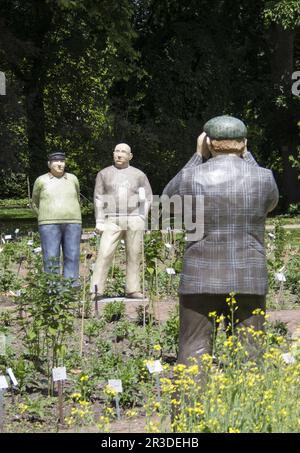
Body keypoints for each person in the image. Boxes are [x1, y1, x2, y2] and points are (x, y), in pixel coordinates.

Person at [163, 115, 279, 364]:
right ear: (244, 143)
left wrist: (196, 156)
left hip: (199, 277)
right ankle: (251, 402)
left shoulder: (191, 177)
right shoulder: (264, 178)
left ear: (209, 143)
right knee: (250, 350)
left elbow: (167, 201)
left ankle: (190, 400)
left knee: (194, 347)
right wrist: (247, 156)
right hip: (249, 276)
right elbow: (270, 202)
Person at [91, 143, 152, 299]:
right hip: (111, 218)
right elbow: (98, 197)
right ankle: (96, 289)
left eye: (123, 152)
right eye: (117, 151)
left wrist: (142, 216)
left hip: (133, 218)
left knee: (134, 254)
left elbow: (148, 198)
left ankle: (133, 289)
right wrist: (99, 220)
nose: (119, 154)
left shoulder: (139, 175)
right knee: (104, 253)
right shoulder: (104, 174)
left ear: (130, 156)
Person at [32, 152, 82, 287]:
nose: (60, 164)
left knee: (72, 254)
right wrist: (44, 215)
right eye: (56, 161)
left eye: (62, 161)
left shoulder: (73, 179)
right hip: (49, 223)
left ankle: (71, 286)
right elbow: (35, 202)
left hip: (73, 222)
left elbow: (77, 197)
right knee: (51, 255)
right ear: (49, 164)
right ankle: (52, 287)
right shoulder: (41, 180)